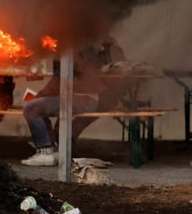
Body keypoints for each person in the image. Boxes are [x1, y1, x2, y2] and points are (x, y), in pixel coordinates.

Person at [21, 38, 128, 166]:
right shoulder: (84, 46)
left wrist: (39, 96)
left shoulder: (69, 49)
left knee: (31, 109)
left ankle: (45, 152)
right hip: (86, 99)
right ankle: (52, 149)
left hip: (82, 99)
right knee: (38, 107)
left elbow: (58, 82)